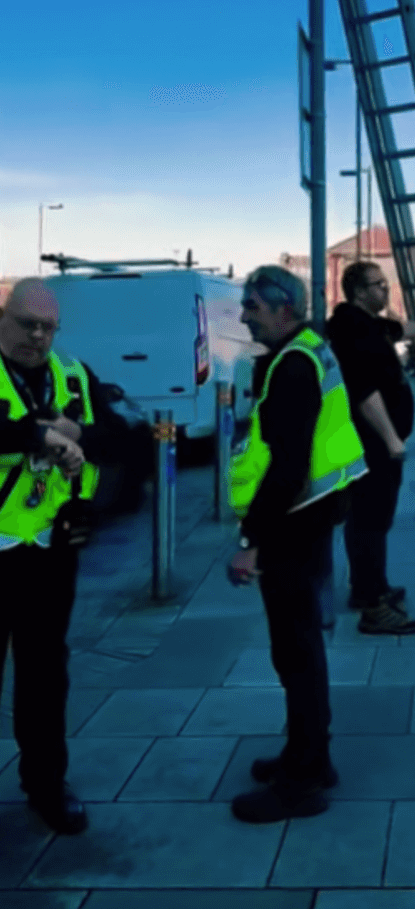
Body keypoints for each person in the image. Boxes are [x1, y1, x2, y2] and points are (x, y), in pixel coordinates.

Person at [0, 277, 119, 871]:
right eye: (27, 324)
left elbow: (115, 438)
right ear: (1, 317)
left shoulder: (74, 376)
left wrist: (82, 486)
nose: (38, 337)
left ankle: (46, 787)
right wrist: (39, 435)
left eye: (48, 328)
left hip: (46, 555)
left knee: (44, 681)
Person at [228, 264, 369, 823]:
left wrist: (250, 542)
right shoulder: (309, 348)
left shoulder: (293, 366)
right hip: (310, 518)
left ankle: (305, 778)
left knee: (296, 651)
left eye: (252, 307)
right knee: (300, 649)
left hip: (293, 523)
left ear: (284, 308)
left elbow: (286, 468)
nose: (243, 315)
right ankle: (307, 755)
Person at [326, 259, 415, 633]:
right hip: (373, 443)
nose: (386, 289)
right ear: (360, 291)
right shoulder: (353, 330)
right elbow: (364, 391)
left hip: (372, 442)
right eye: (379, 285)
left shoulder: (361, 324)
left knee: (369, 519)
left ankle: (368, 588)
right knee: (371, 521)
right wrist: (392, 439)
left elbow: (397, 328)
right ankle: (373, 607)